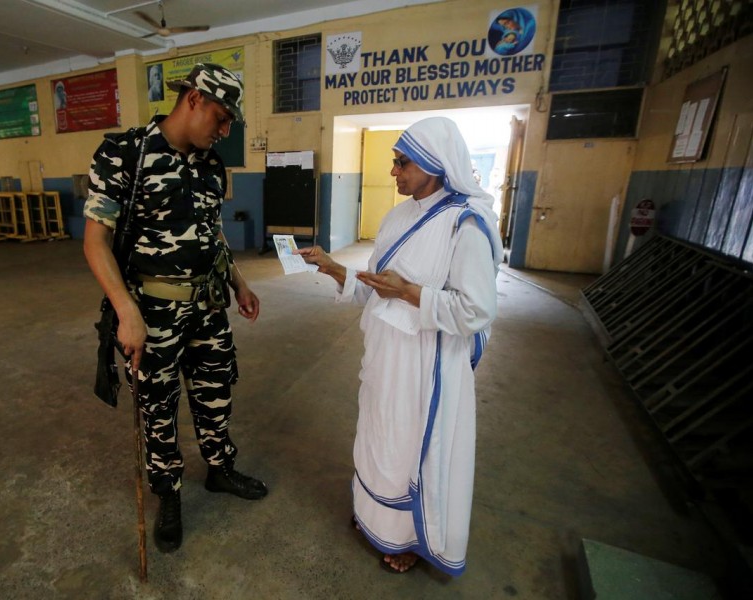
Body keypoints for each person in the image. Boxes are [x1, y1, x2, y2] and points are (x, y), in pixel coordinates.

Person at [296, 117, 503, 575]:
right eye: (394, 162)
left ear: (434, 164)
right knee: (380, 437)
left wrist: (409, 292)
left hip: (424, 364)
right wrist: (330, 266)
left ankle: (410, 537)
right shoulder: (398, 216)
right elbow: (376, 290)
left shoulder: (464, 225)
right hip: (386, 356)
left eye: (402, 163)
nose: (394, 172)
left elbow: (476, 311)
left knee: (412, 448)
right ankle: (375, 518)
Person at [83, 63, 267, 554]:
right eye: (222, 117)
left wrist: (239, 280)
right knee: (158, 407)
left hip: (209, 307)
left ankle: (219, 469)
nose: (225, 130)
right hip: (152, 311)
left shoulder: (210, 165)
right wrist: (126, 311)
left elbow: (213, 231)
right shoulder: (126, 153)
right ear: (193, 100)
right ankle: (169, 493)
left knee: (215, 391)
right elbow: (96, 241)